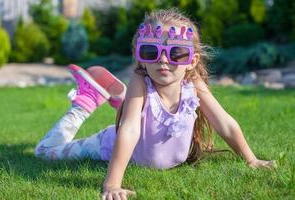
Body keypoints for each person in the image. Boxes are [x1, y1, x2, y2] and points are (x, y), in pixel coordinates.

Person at [35, 9, 276, 200]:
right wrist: (112, 184)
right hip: (108, 144)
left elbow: (224, 123)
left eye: (177, 53)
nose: (163, 59)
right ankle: (86, 102)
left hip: (141, 126)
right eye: (151, 51)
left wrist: (251, 159)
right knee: (45, 153)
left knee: (137, 111)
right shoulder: (141, 80)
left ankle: (126, 103)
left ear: (192, 61)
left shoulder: (193, 85)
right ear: (141, 56)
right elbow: (129, 130)